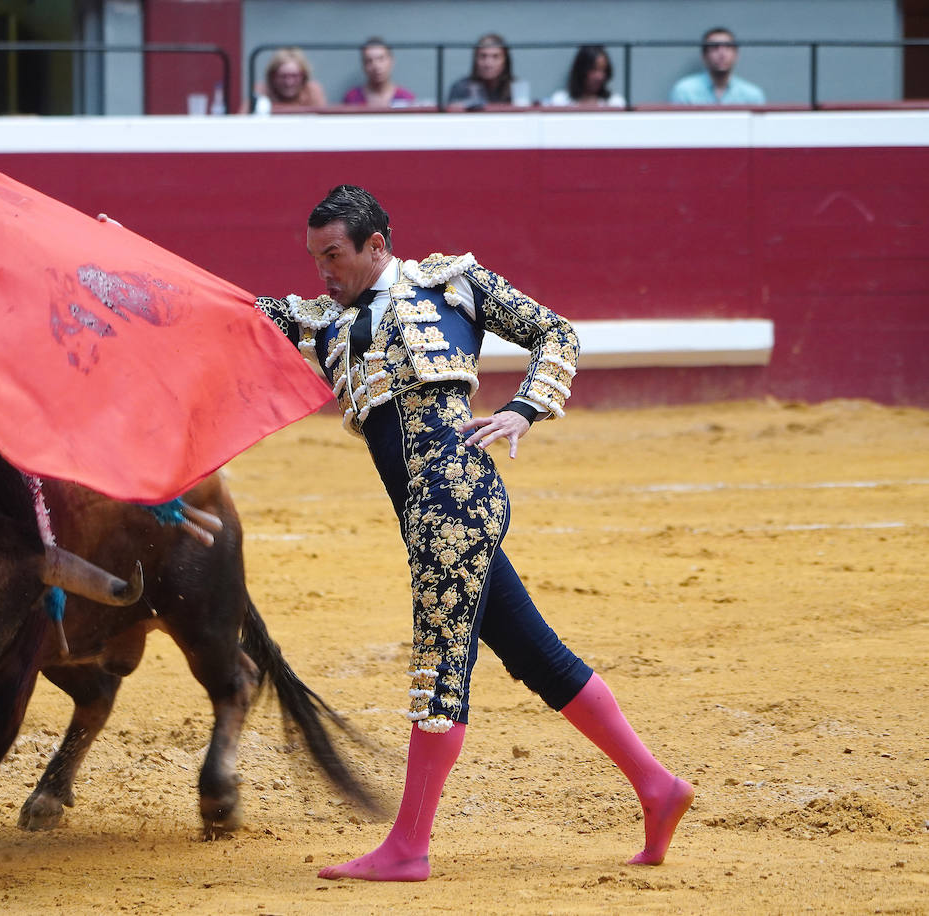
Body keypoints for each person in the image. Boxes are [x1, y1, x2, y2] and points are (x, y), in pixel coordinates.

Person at [254, 185, 694, 882]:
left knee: (440, 669)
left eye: (333, 255)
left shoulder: (453, 283)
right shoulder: (320, 320)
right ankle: (657, 786)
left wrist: (525, 409)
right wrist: (132, 257)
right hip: (429, 511)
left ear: (376, 245)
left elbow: (557, 332)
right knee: (536, 655)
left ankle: (408, 846)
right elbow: (235, 315)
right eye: (313, 258)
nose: (322, 272)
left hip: (455, 499)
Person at [669, 27, 766, 105]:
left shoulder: (752, 95)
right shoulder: (684, 91)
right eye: (715, 47)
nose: (722, 54)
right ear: (704, 55)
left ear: (736, 55)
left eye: (728, 47)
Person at [343, 38, 415, 108]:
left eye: (381, 59)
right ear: (363, 65)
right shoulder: (352, 98)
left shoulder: (406, 98)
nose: (376, 66)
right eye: (369, 61)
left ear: (391, 61)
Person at [545, 45, 625, 108]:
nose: (599, 76)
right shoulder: (560, 101)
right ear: (581, 69)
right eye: (594, 69)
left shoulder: (615, 102)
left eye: (603, 70)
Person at [447, 33, 513, 108]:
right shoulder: (460, 87)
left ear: (505, 60)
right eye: (483, 56)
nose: (488, 64)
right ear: (475, 59)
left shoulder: (515, 88)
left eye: (495, 57)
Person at [253, 47, 327, 113]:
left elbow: (324, 121)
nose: (289, 83)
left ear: (304, 76)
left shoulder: (312, 91)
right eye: (283, 76)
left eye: (294, 76)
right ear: (272, 76)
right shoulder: (261, 92)